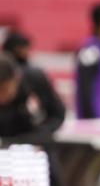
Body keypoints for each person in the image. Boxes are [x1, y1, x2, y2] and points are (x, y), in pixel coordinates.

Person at [0, 53, 66, 185]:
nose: (2, 96)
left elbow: (58, 114)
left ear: (16, 79)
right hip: (4, 153)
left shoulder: (35, 79)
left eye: (5, 89)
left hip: (37, 149)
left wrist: (42, 134)